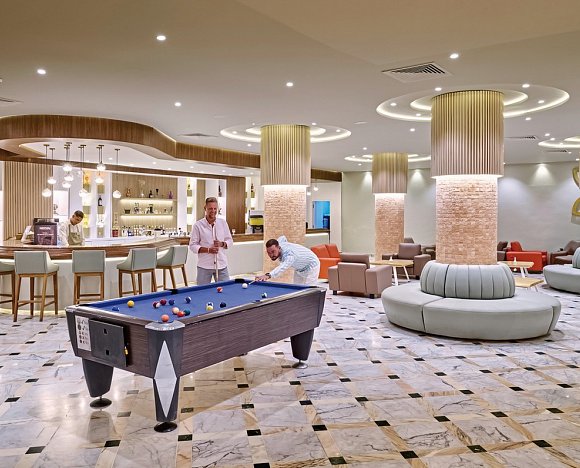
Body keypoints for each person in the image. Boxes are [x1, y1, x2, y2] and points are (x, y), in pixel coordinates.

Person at [189, 197, 233, 285]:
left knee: (226, 289)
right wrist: (208, 250)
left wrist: (222, 244)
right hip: (204, 266)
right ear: (205, 208)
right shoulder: (198, 225)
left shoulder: (223, 223)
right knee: (201, 291)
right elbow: (192, 246)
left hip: (221, 265)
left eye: (215, 208)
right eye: (210, 208)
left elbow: (230, 240)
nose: (213, 211)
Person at [255, 236, 320, 285]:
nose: (271, 255)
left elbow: (282, 267)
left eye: (273, 251)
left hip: (312, 265)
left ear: (279, 248)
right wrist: (287, 243)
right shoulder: (280, 243)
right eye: (269, 252)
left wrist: (268, 275)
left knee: (309, 289)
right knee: (296, 288)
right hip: (299, 268)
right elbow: (283, 237)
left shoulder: (289, 255)